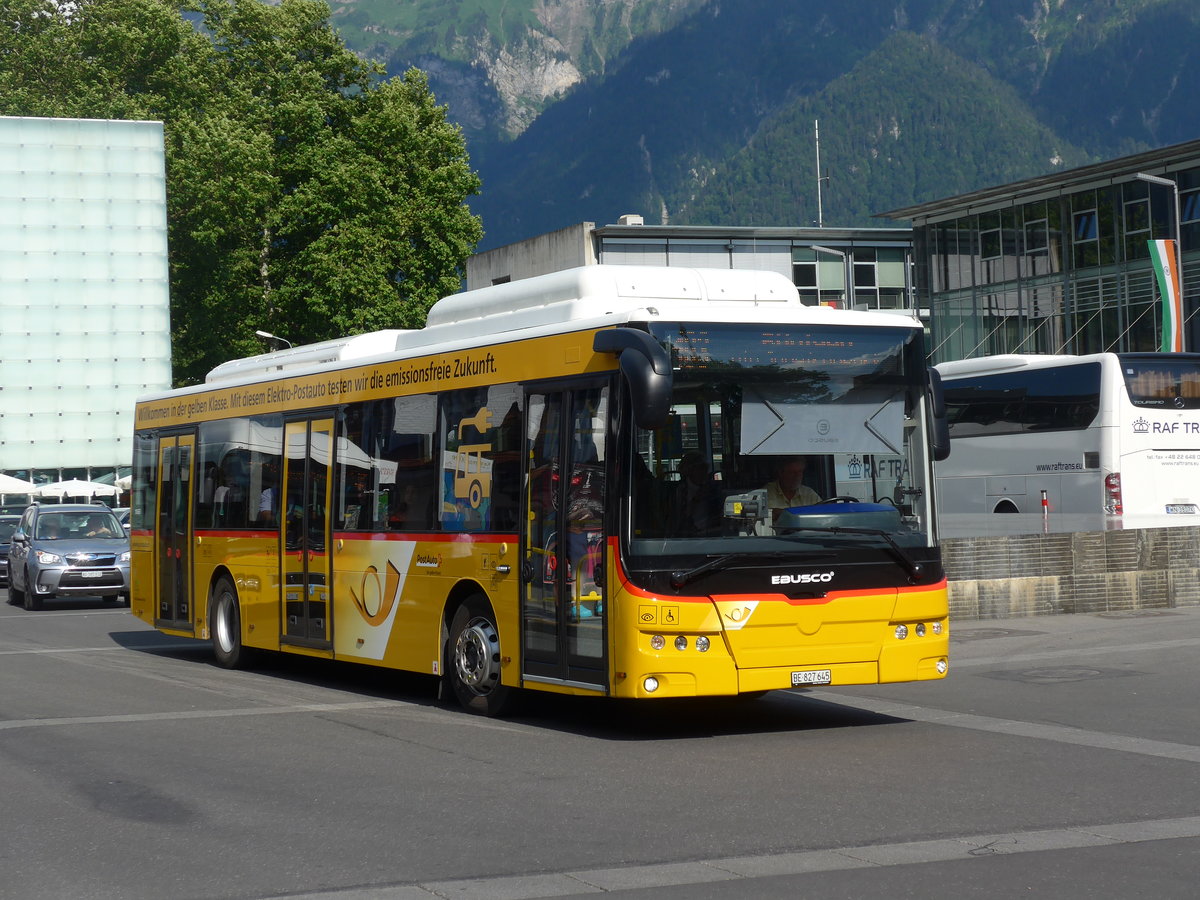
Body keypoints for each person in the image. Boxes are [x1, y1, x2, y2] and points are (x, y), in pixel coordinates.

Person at [671, 452, 721, 534]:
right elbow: (680, 518)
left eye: (705, 468)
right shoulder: (681, 490)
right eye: (700, 468)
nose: (704, 472)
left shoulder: (713, 488)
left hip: (712, 532)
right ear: (689, 470)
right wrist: (696, 499)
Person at [764, 457, 821, 524]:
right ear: (781, 473)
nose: (797, 476)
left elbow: (824, 512)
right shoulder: (767, 492)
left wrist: (782, 514)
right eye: (792, 472)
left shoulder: (809, 494)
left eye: (800, 472)